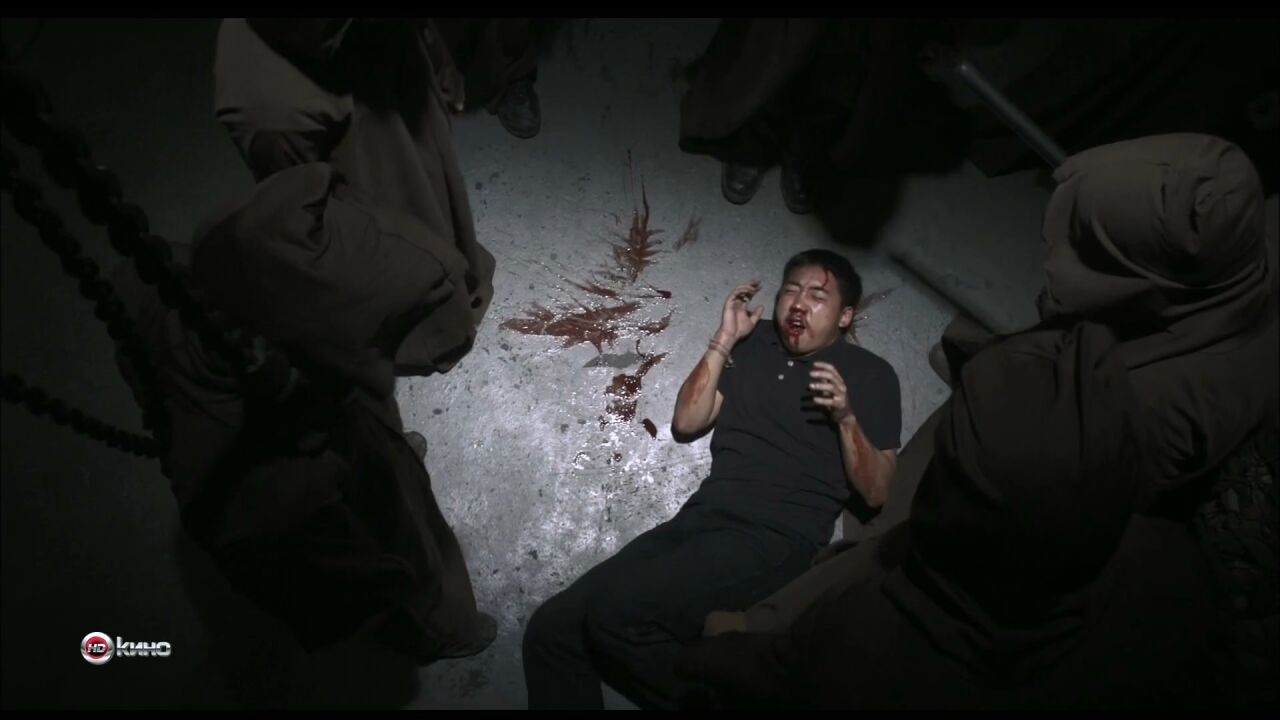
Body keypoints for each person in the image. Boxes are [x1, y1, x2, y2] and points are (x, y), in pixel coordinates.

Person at [116, 18, 500, 662]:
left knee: (375, 432)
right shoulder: (289, 486)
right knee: (400, 529)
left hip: (324, 324)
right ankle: (443, 629)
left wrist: (436, 65)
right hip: (328, 485)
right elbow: (339, 585)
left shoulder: (225, 272)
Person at [521, 249, 902, 709]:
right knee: (551, 631)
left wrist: (845, 417)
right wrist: (724, 340)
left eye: (817, 297)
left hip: (776, 536)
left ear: (844, 316)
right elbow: (687, 421)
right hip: (703, 518)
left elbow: (877, 492)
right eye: (791, 291)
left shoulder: (870, 374)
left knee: (616, 615)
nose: (799, 304)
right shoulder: (752, 341)